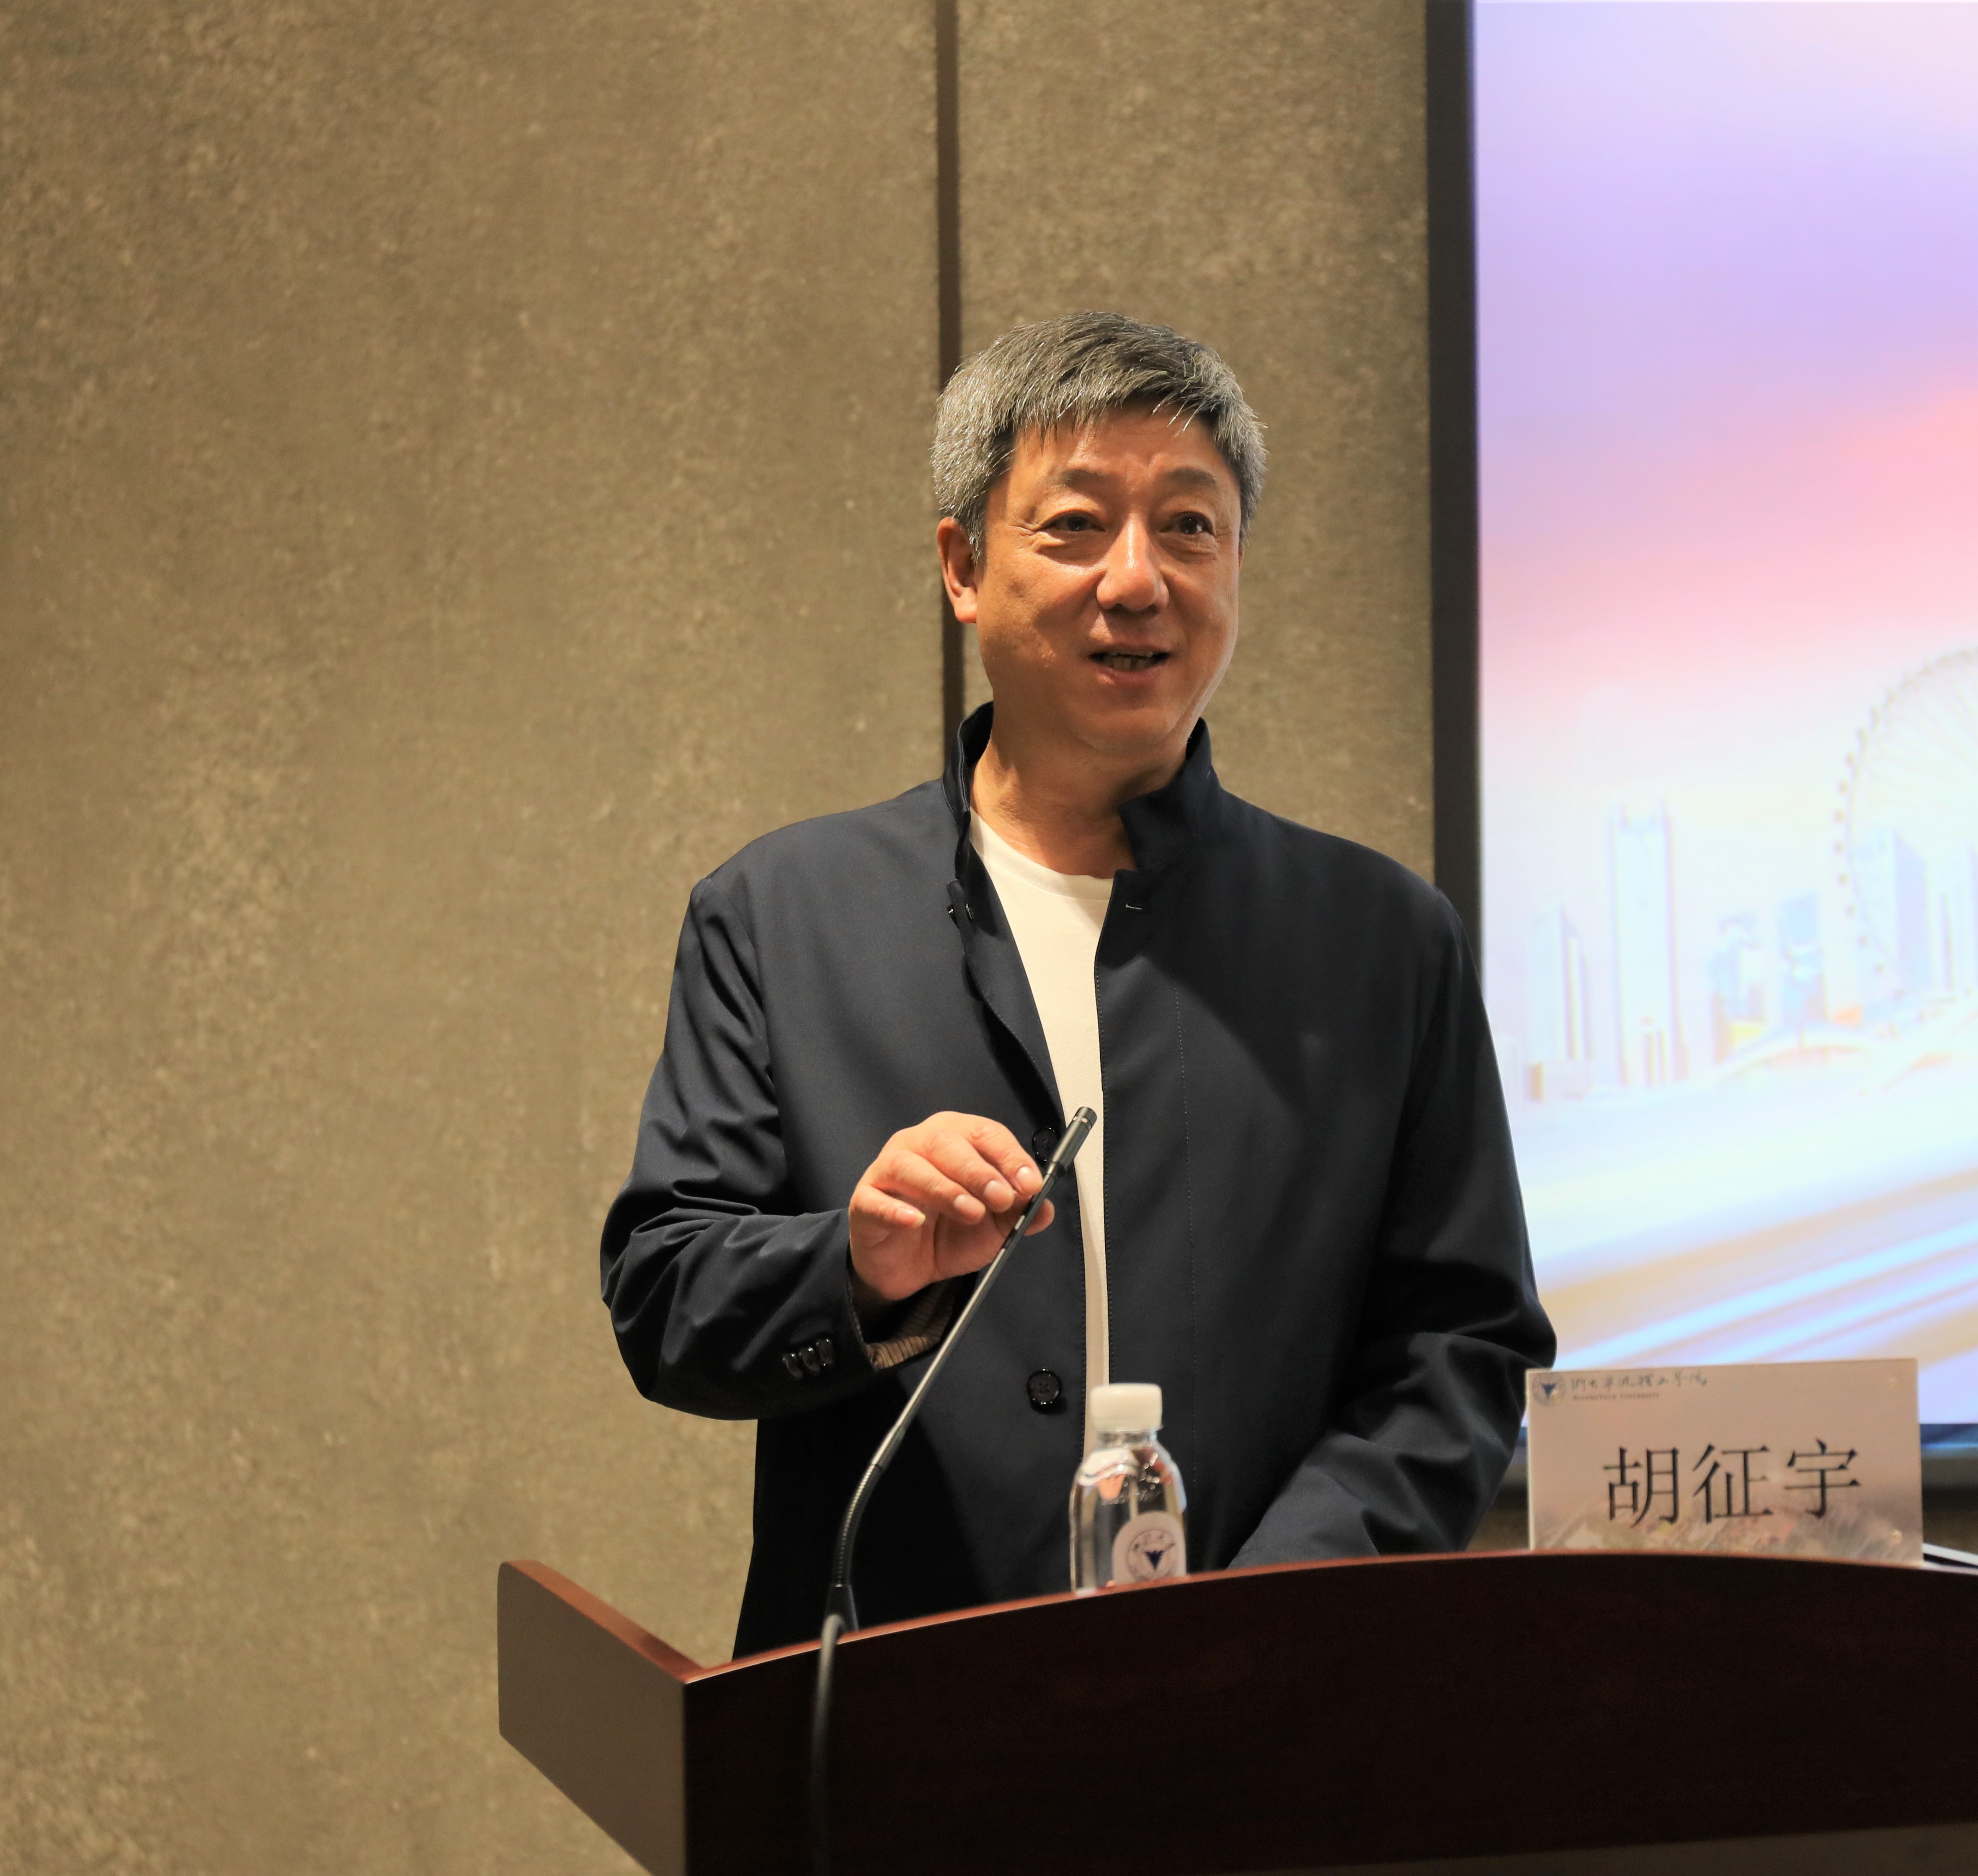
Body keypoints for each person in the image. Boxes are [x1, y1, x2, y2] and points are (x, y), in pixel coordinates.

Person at [602, 311, 1553, 1656]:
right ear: (964, 567)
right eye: (1076, 527)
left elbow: (1461, 1346)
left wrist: (1275, 1602)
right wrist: (859, 1268)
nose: (1138, 579)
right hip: (895, 1710)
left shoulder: (1383, 940)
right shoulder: (780, 914)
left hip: (1271, 1703)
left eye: (1190, 527)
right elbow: (667, 1298)